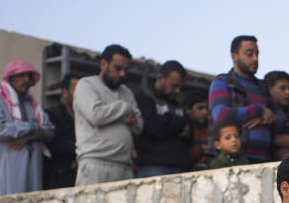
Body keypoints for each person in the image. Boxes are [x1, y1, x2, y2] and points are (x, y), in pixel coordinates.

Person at [73, 44, 143, 186]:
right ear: (103, 64)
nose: (122, 74)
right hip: (96, 164)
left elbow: (139, 125)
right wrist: (123, 108)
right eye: (118, 68)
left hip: (124, 166)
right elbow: (96, 115)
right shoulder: (86, 85)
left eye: (125, 70)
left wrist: (114, 114)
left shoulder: (126, 92)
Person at [208, 35, 284, 163]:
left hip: (265, 160)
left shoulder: (262, 87)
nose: (255, 59)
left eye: (257, 54)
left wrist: (265, 118)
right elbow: (221, 114)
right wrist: (258, 110)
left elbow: (282, 121)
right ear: (234, 56)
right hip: (232, 162)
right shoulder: (222, 82)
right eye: (249, 54)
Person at [0, 59, 55, 197]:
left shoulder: (32, 105)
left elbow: (50, 131)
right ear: (11, 78)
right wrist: (33, 129)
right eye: (21, 75)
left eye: (29, 76)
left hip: (33, 171)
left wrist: (28, 136)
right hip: (8, 171)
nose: (26, 79)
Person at [134, 60, 193, 178]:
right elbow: (151, 126)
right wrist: (178, 123)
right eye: (174, 86)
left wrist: (172, 123)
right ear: (160, 78)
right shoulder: (144, 97)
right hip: (154, 168)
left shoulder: (177, 104)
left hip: (179, 168)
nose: (177, 91)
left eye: (180, 87)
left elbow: (188, 129)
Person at [43, 72, 81, 189]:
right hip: (60, 179)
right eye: (76, 90)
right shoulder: (51, 115)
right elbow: (55, 143)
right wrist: (81, 152)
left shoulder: (86, 117)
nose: (80, 95)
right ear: (64, 93)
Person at [181, 86, 211, 170]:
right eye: (200, 108)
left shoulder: (209, 130)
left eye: (207, 108)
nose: (205, 112)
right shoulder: (183, 130)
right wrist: (200, 149)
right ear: (187, 109)